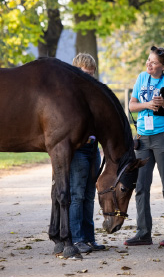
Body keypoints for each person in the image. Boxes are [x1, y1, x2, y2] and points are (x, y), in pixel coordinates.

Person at [125, 46, 164, 247]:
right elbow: (132, 105)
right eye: (148, 60)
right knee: (141, 187)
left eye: (154, 62)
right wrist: (147, 104)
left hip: (163, 138)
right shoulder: (142, 78)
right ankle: (143, 233)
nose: (149, 64)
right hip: (142, 138)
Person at [69, 53, 106, 253]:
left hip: (93, 149)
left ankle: (89, 238)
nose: (89, 78)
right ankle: (77, 238)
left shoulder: (94, 94)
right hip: (78, 150)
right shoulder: (70, 96)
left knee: (90, 195)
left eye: (91, 75)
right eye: (85, 74)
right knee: (77, 195)